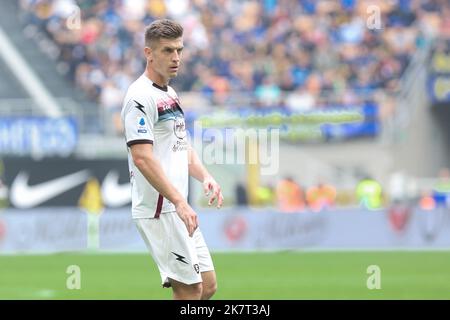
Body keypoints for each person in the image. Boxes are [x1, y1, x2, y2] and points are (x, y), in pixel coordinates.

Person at [121, 19, 223, 300]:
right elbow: (142, 157)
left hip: (177, 206)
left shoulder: (171, 94)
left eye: (179, 50)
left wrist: (206, 177)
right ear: (148, 53)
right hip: (160, 209)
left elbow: (181, 144)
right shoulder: (139, 97)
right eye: (167, 51)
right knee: (190, 290)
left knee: (208, 285)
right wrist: (179, 201)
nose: (176, 57)